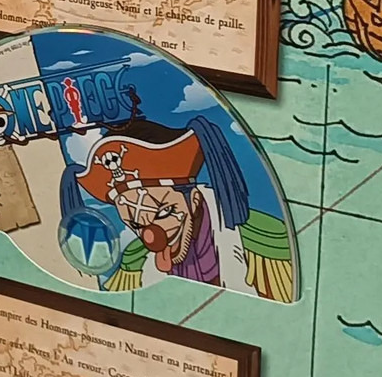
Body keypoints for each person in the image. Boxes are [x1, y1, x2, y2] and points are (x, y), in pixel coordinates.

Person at [58, 117, 298, 302]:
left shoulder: (263, 242)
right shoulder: (135, 261)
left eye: (164, 212)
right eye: (135, 224)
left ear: (194, 199)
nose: (150, 236)